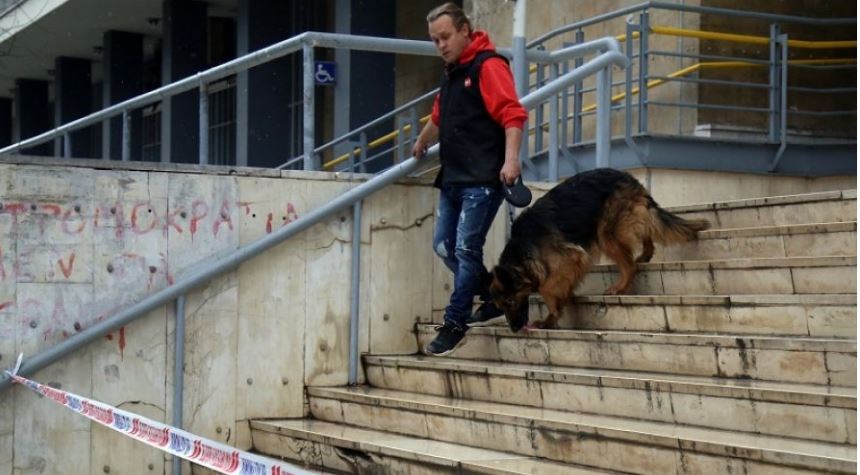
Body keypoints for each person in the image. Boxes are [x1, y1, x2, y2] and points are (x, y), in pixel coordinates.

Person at [412, 3, 527, 356]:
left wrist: (511, 160)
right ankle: (501, 294)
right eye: (435, 40)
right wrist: (421, 141)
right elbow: (438, 114)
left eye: (445, 37)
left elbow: (513, 114)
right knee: (442, 246)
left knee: (465, 249)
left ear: (465, 30)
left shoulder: (488, 66)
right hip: (453, 177)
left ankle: (454, 323)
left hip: (483, 178)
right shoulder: (451, 72)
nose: (441, 45)